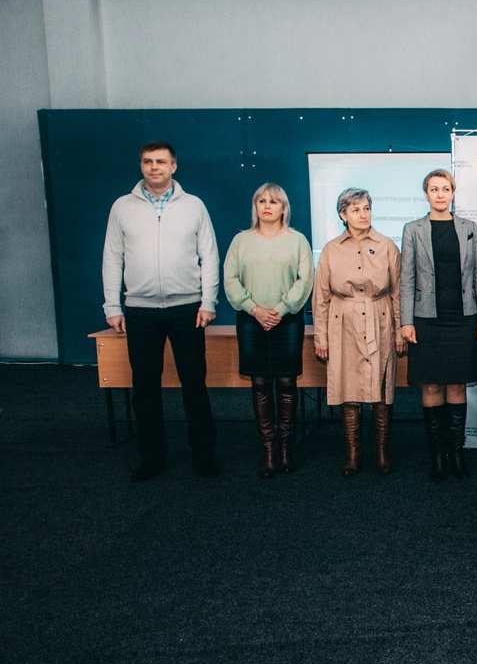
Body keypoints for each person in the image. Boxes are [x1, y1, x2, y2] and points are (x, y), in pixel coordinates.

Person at [102, 141, 220, 481]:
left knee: (194, 385)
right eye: (148, 161)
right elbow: (112, 258)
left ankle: (204, 457)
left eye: (161, 162)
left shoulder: (194, 206)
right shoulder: (122, 207)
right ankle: (152, 458)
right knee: (145, 388)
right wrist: (112, 305)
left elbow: (209, 255)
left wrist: (208, 301)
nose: (154, 167)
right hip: (140, 310)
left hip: (188, 308)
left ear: (173, 166)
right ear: (141, 166)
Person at [222, 183, 314, 478]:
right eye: (261, 201)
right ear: (255, 206)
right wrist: (255, 309)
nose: (267, 206)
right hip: (251, 320)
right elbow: (230, 280)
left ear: (284, 208)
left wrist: (281, 309)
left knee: (287, 383)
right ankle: (269, 450)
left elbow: (305, 280)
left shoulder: (297, 240)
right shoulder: (241, 241)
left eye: (273, 201)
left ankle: (286, 448)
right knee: (260, 384)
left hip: (287, 320)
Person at [313, 188, 404, 476]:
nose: (363, 214)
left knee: (382, 388)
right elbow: (321, 297)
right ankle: (353, 454)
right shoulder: (331, 249)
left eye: (366, 208)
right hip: (343, 322)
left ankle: (382, 452)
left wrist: (400, 331)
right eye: (356, 210)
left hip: (380, 318)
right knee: (348, 387)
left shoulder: (387, 246)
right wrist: (321, 337)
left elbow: (398, 292)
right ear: (343, 215)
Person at [400, 169, 477, 481]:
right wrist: (406, 321)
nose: (439, 194)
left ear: (452, 192)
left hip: (463, 318)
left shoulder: (469, 228)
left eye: (445, 189)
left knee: (457, 385)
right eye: (434, 189)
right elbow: (406, 279)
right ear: (426, 194)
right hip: (426, 319)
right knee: (432, 385)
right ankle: (438, 455)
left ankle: (457, 454)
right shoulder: (413, 229)